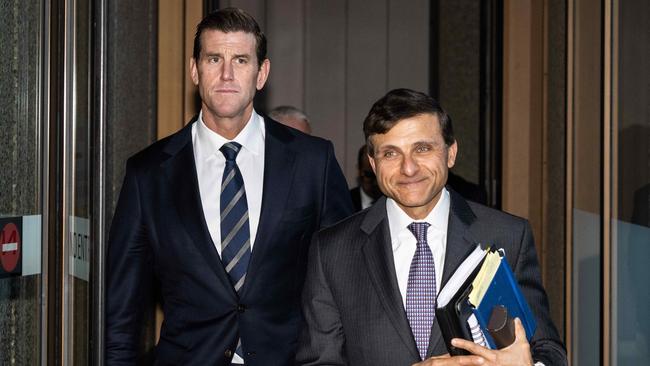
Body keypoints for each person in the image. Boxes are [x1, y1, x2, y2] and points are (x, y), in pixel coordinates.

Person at [105, 8, 353, 366]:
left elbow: (344, 281)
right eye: (213, 58)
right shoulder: (148, 174)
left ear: (261, 73)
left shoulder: (313, 161)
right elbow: (122, 309)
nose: (226, 74)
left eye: (240, 59)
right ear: (195, 69)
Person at [297, 89, 567, 366]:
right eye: (391, 153)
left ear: (451, 153)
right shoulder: (332, 250)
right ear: (373, 163)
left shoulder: (507, 236)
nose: (409, 168)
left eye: (422, 149)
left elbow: (549, 352)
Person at [350, 145, 382, 211]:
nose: (376, 183)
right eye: (369, 175)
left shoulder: (395, 201)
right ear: (359, 171)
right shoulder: (345, 200)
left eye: (379, 176)